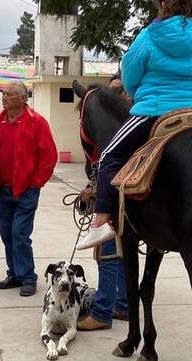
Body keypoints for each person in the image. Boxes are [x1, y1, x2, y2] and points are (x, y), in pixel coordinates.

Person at [77, 0, 192, 250]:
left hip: (155, 110)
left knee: (110, 154)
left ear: (164, 4)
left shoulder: (148, 35)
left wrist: (140, 93)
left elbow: (130, 78)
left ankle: (101, 221)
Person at [0, 81, 57, 297]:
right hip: (1, 189)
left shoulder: (37, 123)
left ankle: (27, 277)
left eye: (9, 94)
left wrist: (35, 183)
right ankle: (14, 274)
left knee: (20, 233)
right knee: (7, 234)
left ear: (23, 98)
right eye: (3, 93)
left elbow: (49, 157)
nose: (4, 97)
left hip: (25, 190)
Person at [77, 77, 130, 331]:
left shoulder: (122, 131)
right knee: (124, 248)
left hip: (116, 195)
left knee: (106, 247)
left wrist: (97, 188)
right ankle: (123, 302)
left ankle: (102, 312)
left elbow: (113, 164)